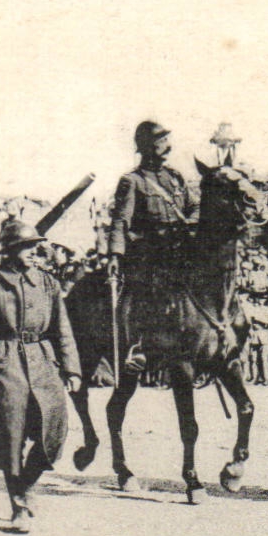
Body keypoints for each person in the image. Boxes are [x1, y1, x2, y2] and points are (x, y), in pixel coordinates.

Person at [0, 218, 82, 533]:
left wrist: (71, 368)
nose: (34, 251)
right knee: (11, 435)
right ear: (10, 250)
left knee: (55, 430)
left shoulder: (47, 283)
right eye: (27, 246)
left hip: (43, 361)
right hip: (5, 364)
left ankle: (27, 482)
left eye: (35, 246)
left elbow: (62, 328)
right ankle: (18, 504)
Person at [107, 120, 198, 370]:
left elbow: (195, 206)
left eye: (167, 141)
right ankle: (137, 345)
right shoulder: (132, 181)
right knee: (144, 289)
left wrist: (190, 222)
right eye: (161, 142)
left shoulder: (176, 178)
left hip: (179, 250)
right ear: (148, 147)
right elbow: (121, 220)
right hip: (148, 254)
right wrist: (115, 254)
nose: (167, 147)